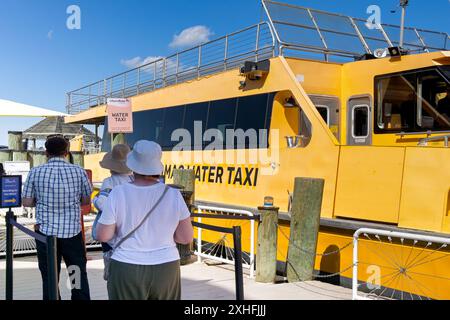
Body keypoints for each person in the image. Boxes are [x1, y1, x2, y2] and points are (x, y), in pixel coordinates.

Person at [96, 140, 193, 300]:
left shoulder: (118, 193)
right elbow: (185, 237)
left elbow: (103, 235)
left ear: (132, 166)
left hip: (126, 266)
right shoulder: (174, 195)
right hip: (166, 266)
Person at [22, 136, 92, 300]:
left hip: (46, 234)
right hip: (72, 233)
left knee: (50, 276)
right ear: (66, 152)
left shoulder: (35, 172)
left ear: (46, 152)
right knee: (76, 273)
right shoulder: (79, 171)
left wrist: (41, 201)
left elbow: (27, 201)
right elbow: (86, 200)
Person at [92, 144, 133, 254]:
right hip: (130, 234)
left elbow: (102, 204)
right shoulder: (134, 181)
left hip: (111, 236)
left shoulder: (109, 182)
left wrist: (94, 199)